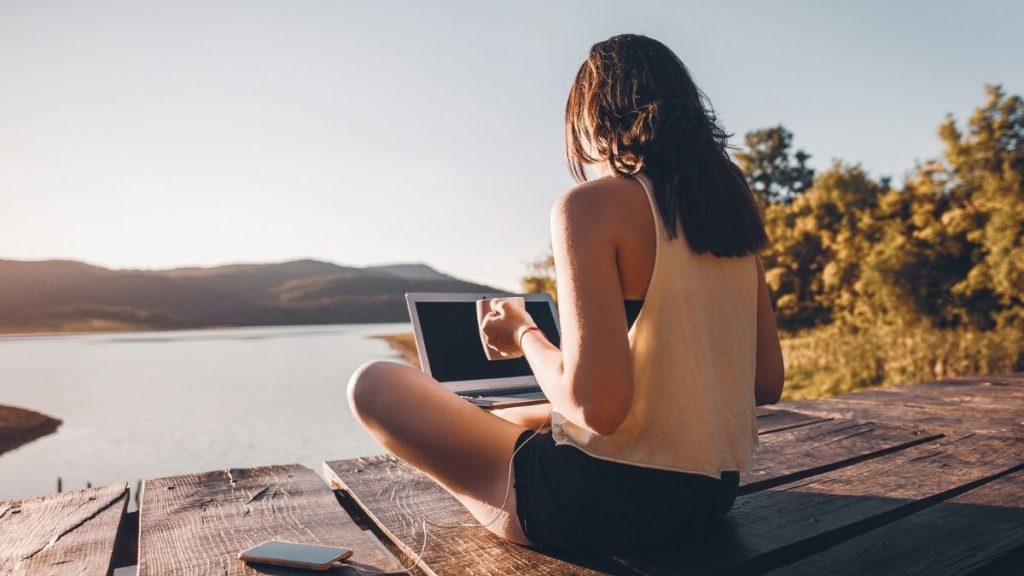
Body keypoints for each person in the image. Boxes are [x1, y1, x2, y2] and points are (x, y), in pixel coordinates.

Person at [347, 33, 785, 554]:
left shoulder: (592, 206)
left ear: (593, 122)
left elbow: (597, 407)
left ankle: (496, 491)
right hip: (708, 497)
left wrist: (523, 333)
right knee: (515, 418)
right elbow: (766, 382)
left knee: (373, 384)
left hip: (598, 505)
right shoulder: (728, 209)